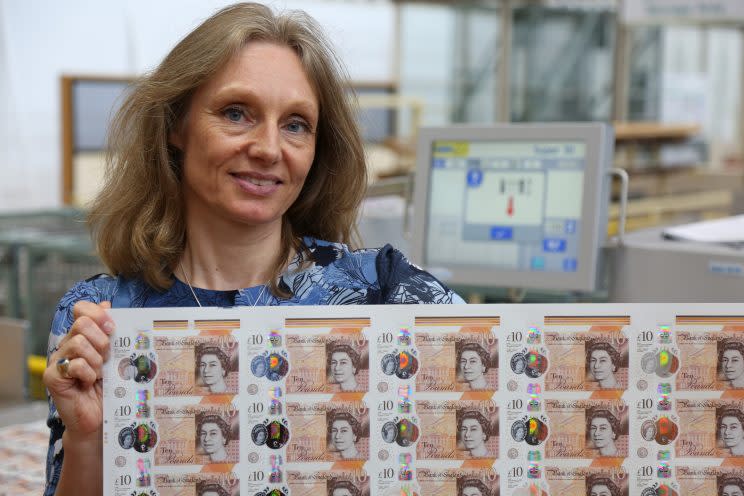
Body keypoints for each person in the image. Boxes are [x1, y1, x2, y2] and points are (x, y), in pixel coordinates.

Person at [42, 3, 464, 495]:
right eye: (236, 113)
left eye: (295, 124)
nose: (268, 148)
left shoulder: (387, 292)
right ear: (175, 127)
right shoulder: (98, 319)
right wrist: (89, 440)